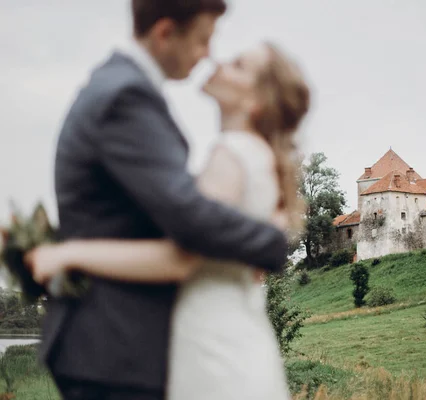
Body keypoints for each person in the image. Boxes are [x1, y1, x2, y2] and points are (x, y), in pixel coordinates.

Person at [39, 1, 291, 399]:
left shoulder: (118, 87)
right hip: (115, 347)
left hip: (120, 348)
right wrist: (270, 242)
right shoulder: (127, 95)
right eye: (203, 40)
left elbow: (172, 211)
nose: (209, 55)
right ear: (165, 32)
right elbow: (189, 217)